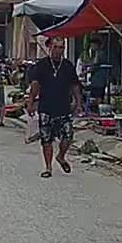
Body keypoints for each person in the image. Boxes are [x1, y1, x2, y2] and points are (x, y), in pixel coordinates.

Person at [25, 37, 83, 178]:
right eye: (55, 47)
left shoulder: (68, 66)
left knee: (68, 135)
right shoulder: (42, 65)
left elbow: (75, 85)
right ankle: (48, 167)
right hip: (46, 107)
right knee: (46, 139)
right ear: (50, 48)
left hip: (63, 107)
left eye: (61, 47)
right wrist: (31, 103)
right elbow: (35, 85)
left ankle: (61, 156)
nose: (58, 50)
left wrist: (78, 103)